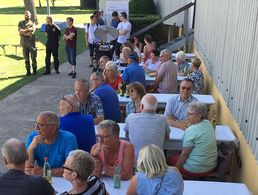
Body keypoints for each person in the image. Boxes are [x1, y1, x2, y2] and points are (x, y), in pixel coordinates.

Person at [167, 102, 218, 177]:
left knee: (169, 159)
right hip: (212, 166)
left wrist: (176, 170)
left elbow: (184, 154)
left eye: (190, 114)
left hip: (195, 169)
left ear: (199, 116)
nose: (186, 115)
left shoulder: (191, 130)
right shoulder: (208, 123)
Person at [25, 111, 78, 176]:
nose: (36, 128)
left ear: (53, 128)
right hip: (41, 180)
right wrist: (31, 148)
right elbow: (27, 168)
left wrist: (45, 172)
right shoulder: (33, 137)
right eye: (36, 124)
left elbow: (72, 169)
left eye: (40, 125)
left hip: (63, 181)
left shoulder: (68, 138)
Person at [124, 94, 170, 161]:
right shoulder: (163, 119)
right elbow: (167, 137)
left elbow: (127, 135)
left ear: (141, 106)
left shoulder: (130, 117)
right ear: (156, 107)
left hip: (136, 163)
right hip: (156, 164)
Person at [18, 11, 37, 76]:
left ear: (30, 16)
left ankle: (34, 70)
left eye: (28, 15)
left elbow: (31, 33)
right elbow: (20, 31)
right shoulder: (21, 23)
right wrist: (27, 30)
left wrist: (23, 32)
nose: (27, 16)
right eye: (26, 15)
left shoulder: (33, 23)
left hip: (31, 44)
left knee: (33, 58)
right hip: (24, 43)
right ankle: (28, 71)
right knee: (26, 59)